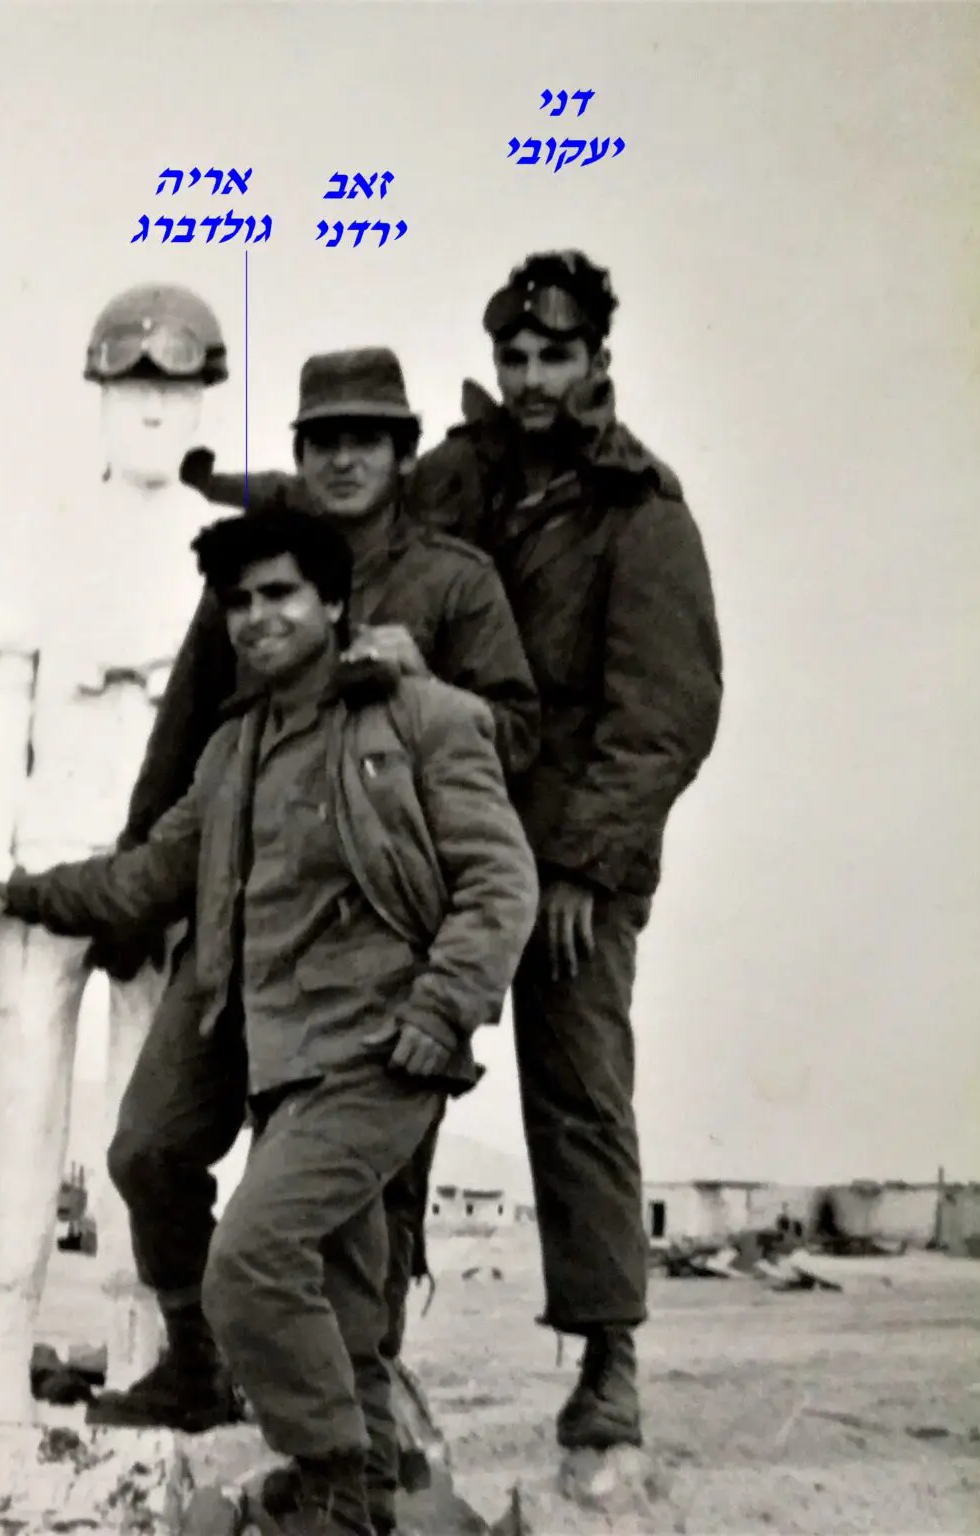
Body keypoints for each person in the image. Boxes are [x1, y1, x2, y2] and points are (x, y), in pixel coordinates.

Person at [0, 508, 538, 1536]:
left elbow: (501, 883)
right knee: (309, 1266)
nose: (256, 618)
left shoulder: (426, 718)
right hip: (267, 1046)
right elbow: (153, 872)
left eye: (279, 593)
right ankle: (343, 1477)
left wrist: (444, 1007)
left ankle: (334, 1483)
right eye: (237, 602)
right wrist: (25, 893)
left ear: (333, 602)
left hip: (381, 1049)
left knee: (251, 1263)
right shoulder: (233, 748)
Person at [405, 251, 724, 1473]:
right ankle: (368, 1342)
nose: (531, 378)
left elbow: (665, 715)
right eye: (514, 357)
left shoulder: (641, 512)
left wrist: (584, 866)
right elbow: (357, 535)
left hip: (567, 862)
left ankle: (605, 1365)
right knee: (390, 1072)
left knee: (579, 1092)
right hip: (435, 837)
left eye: (554, 355)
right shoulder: (455, 480)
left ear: (596, 360)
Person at [0, 283, 231, 1424]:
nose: (154, 411)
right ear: (101, 398)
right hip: (45, 856)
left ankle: (139, 1357)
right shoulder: (40, 529)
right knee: (22, 1110)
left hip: (160, 866)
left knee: (142, 1122)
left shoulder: (214, 543)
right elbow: (5, 697)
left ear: (202, 400)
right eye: (132, 389)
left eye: (177, 389)